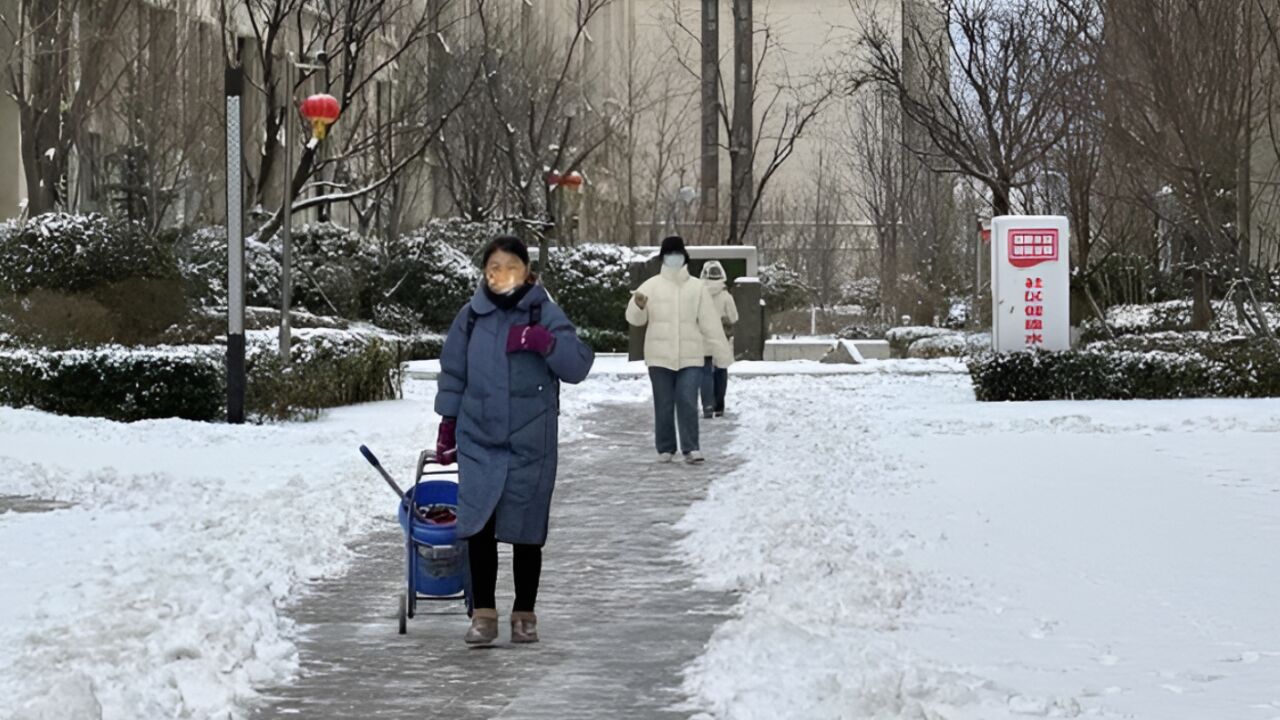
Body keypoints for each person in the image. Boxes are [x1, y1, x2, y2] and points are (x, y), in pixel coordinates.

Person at [434, 235, 594, 646]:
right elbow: (454, 373)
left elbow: (577, 366)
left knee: (526, 527)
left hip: (531, 439)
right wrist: (447, 424)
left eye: (511, 267)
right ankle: (483, 614)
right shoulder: (470, 317)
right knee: (479, 525)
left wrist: (545, 342)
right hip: (479, 435)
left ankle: (525, 612)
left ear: (526, 272)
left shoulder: (544, 311)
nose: (502, 276)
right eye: (494, 268)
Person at [625, 236, 728, 465]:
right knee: (663, 403)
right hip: (659, 357)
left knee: (687, 400)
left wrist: (722, 353)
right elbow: (635, 319)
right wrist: (638, 306)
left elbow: (710, 322)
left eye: (677, 253)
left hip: (691, 356)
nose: (674, 258)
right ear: (663, 257)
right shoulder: (650, 286)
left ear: (684, 256)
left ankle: (691, 448)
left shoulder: (697, 287)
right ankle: (665, 448)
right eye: (669, 254)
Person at [699, 261, 738, 418]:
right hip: (721, 338)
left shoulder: (698, 294)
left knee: (705, 372)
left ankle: (707, 405)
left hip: (703, 338)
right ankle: (719, 406)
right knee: (721, 371)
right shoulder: (725, 296)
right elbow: (734, 317)